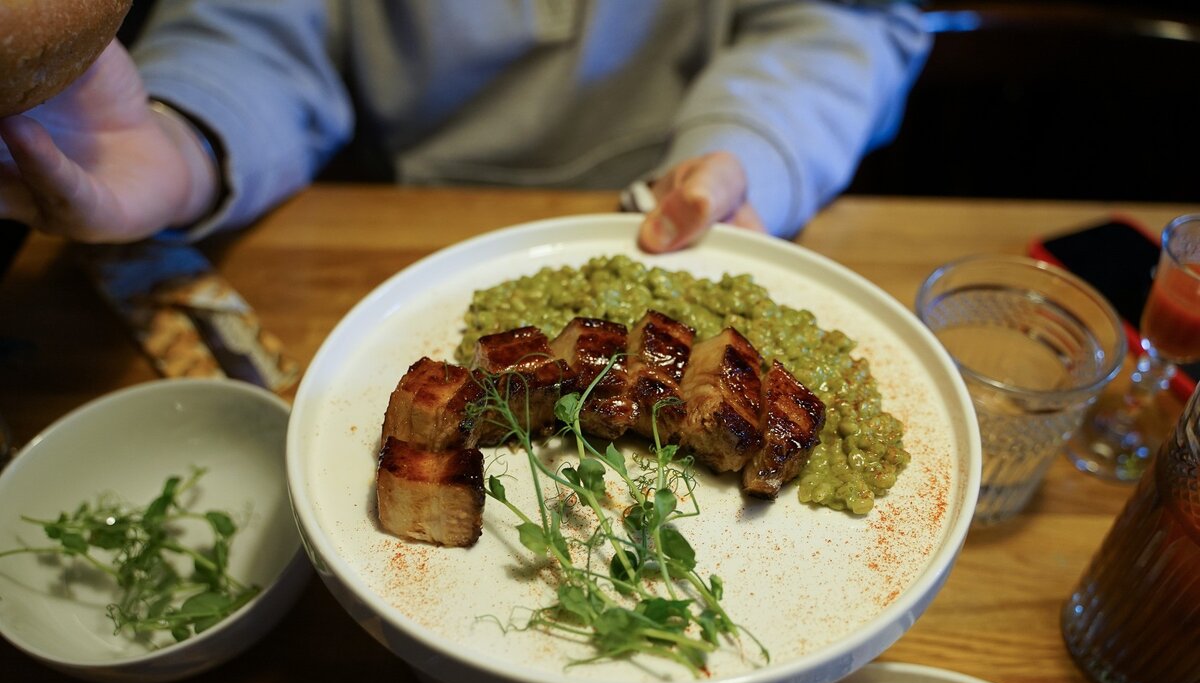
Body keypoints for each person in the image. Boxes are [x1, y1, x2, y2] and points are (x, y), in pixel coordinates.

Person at [0, 0, 930, 253]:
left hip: (691, 215)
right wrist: (187, 144)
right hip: (405, 220)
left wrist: (749, 151)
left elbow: (841, 21)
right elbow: (256, 30)